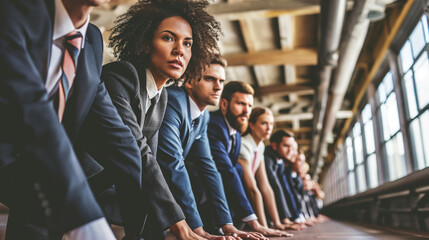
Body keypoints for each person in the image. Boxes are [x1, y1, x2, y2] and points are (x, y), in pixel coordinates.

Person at [0, 0, 142, 239]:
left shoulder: (92, 39)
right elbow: (33, 111)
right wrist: (89, 224)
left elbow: (119, 138)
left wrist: (138, 230)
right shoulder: (11, 11)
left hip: (39, 172)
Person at [102, 0, 222, 239]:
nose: (180, 50)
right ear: (145, 44)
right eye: (168, 38)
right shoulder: (121, 77)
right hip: (66, 190)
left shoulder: (161, 97)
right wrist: (178, 223)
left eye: (188, 43)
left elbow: (150, 166)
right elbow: (137, 154)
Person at [158, 56, 263, 239]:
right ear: (189, 81)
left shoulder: (203, 116)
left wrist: (227, 225)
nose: (218, 87)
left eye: (221, 81)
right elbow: (174, 164)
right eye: (209, 79)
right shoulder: (173, 101)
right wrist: (197, 229)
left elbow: (209, 168)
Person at [208, 82, 292, 237]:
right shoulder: (214, 125)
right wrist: (257, 223)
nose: (246, 110)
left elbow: (265, 186)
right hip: (206, 197)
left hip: (229, 202)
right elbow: (229, 173)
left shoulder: (237, 136)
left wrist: (273, 223)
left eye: (249, 105)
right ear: (224, 104)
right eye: (241, 104)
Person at [238, 108, 302, 231]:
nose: (269, 128)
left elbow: (265, 187)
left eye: (271, 124)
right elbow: (253, 188)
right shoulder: (244, 144)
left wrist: (278, 223)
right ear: (251, 125)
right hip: (238, 197)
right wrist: (264, 227)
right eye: (264, 123)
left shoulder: (260, 146)